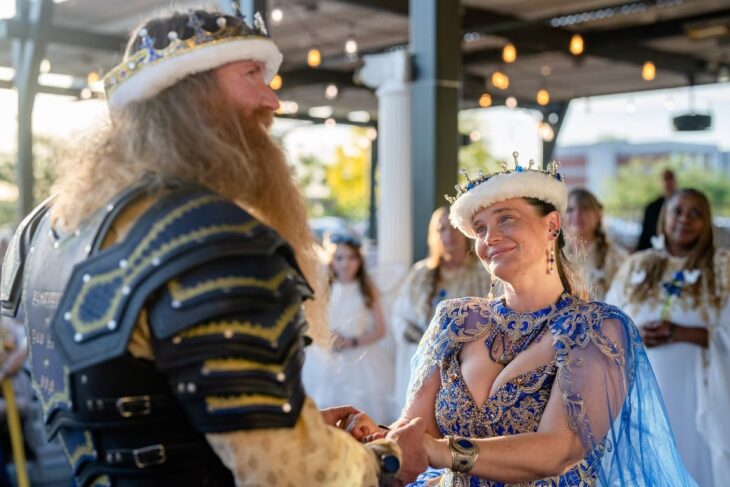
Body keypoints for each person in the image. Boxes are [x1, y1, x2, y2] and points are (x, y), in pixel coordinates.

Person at [0, 5, 428, 486]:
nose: (273, 101)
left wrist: (295, 427)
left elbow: (135, 411)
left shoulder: (49, 227)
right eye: (252, 74)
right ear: (192, 91)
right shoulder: (213, 240)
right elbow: (287, 472)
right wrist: (387, 458)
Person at [352, 153, 695, 485]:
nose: (490, 238)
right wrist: (377, 440)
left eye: (506, 218)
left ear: (552, 225)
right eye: (480, 229)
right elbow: (416, 429)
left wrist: (440, 451)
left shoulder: (595, 328)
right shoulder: (455, 320)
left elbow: (559, 449)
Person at [606, 188, 730, 486]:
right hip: (642, 389)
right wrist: (632, 336)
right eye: (677, 211)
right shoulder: (639, 264)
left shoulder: (723, 267)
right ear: (665, 217)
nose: (684, 219)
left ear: (707, 221)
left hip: (699, 391)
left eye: (695, 213)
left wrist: (684, 333)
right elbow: (609, 321)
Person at [391, 207, 491, 412]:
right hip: (422, 363)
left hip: (465, 367)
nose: (448, 235)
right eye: (441, 229)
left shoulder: (482, 274)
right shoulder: (421, 274)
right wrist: (419, 337)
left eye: (454, 228)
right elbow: (399, 315)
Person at [303, 234, 395, 423]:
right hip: (328, 357)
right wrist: (326, 338)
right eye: (339, 258)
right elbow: (311, 321)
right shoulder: (324, 288)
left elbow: (380, 329)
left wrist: (352, 341)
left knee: (362, 409)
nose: (345, 264)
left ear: (359, 260)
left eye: (351, 257)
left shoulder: (368, 288)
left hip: (360, 355)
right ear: (331, 260)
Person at [565, 188, 628, 300]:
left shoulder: (616, 258)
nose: (577, 215)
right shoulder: (554, 255)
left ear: (598, 214)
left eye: (584, 209)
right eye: (570, 210)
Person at [636, 169, 676, 251]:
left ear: (675, 181)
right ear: (660, 183)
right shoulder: (652, 208)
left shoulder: (684, 207)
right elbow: (645, 236)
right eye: (665, 179)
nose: (668, 183)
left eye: (670, 178)